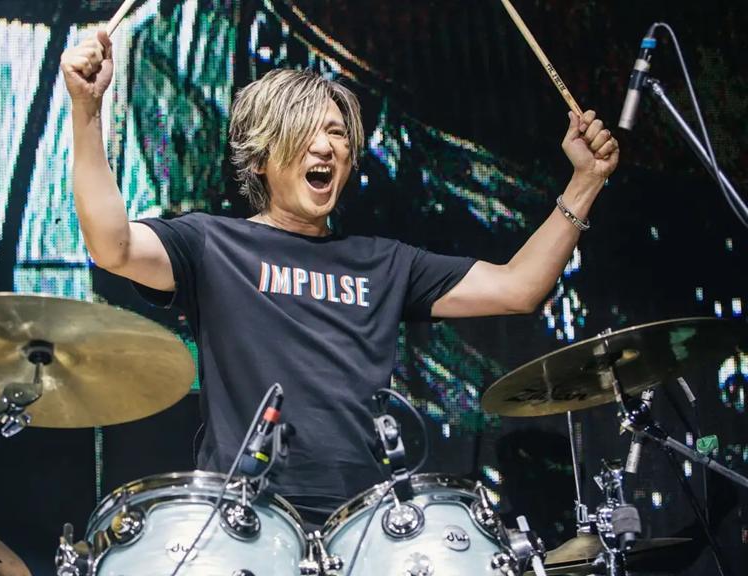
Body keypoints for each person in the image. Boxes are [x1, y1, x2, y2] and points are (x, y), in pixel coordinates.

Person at [60, 30, 619, 526]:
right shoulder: (211, 243)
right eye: (305, 132)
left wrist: (586, 181)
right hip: (243, 520)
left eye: (337, 133)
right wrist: (87, 111)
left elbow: (519, 288)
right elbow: (113, 246)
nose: (326, 145)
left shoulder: (384, 263)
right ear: (260, 159)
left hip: (363, 525)